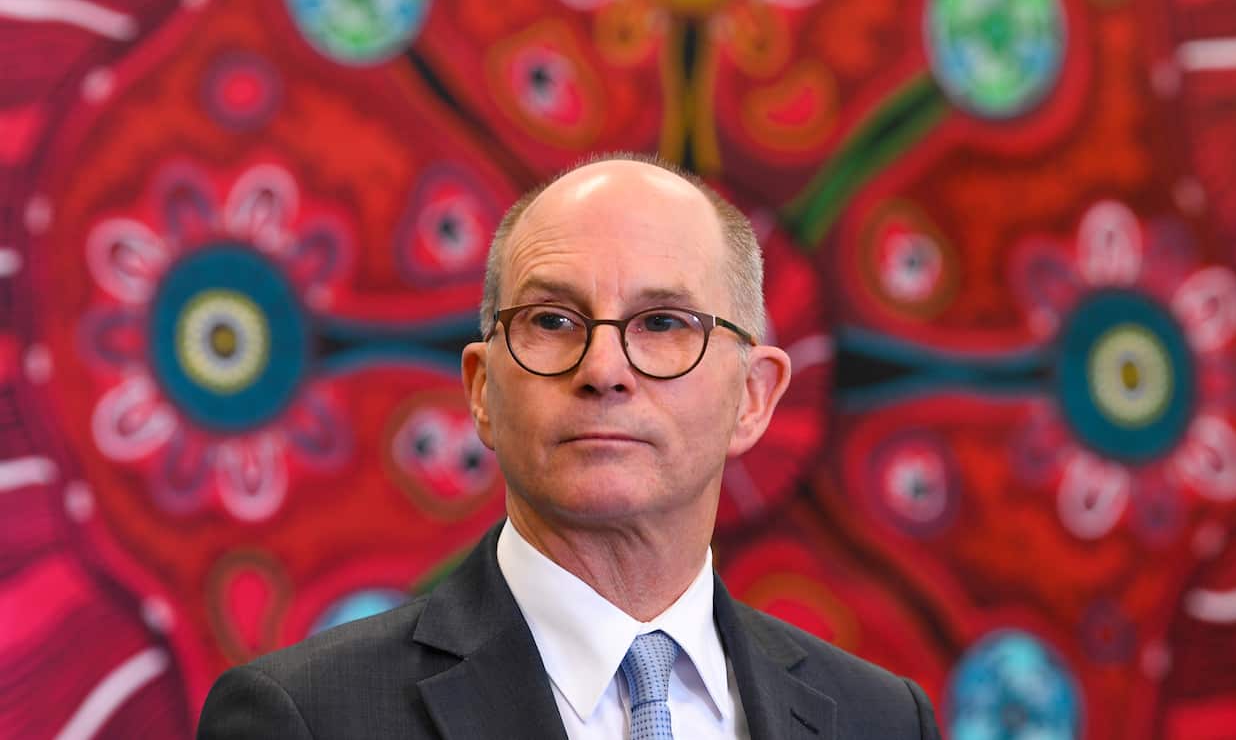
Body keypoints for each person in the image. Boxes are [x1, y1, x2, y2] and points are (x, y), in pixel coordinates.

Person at [197, 155, 940, 739]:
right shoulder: (305, 719)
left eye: (663, 323)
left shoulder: (882, 720)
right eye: (552, 321)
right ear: (483, 389)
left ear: (753, 397)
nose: (604, 369)